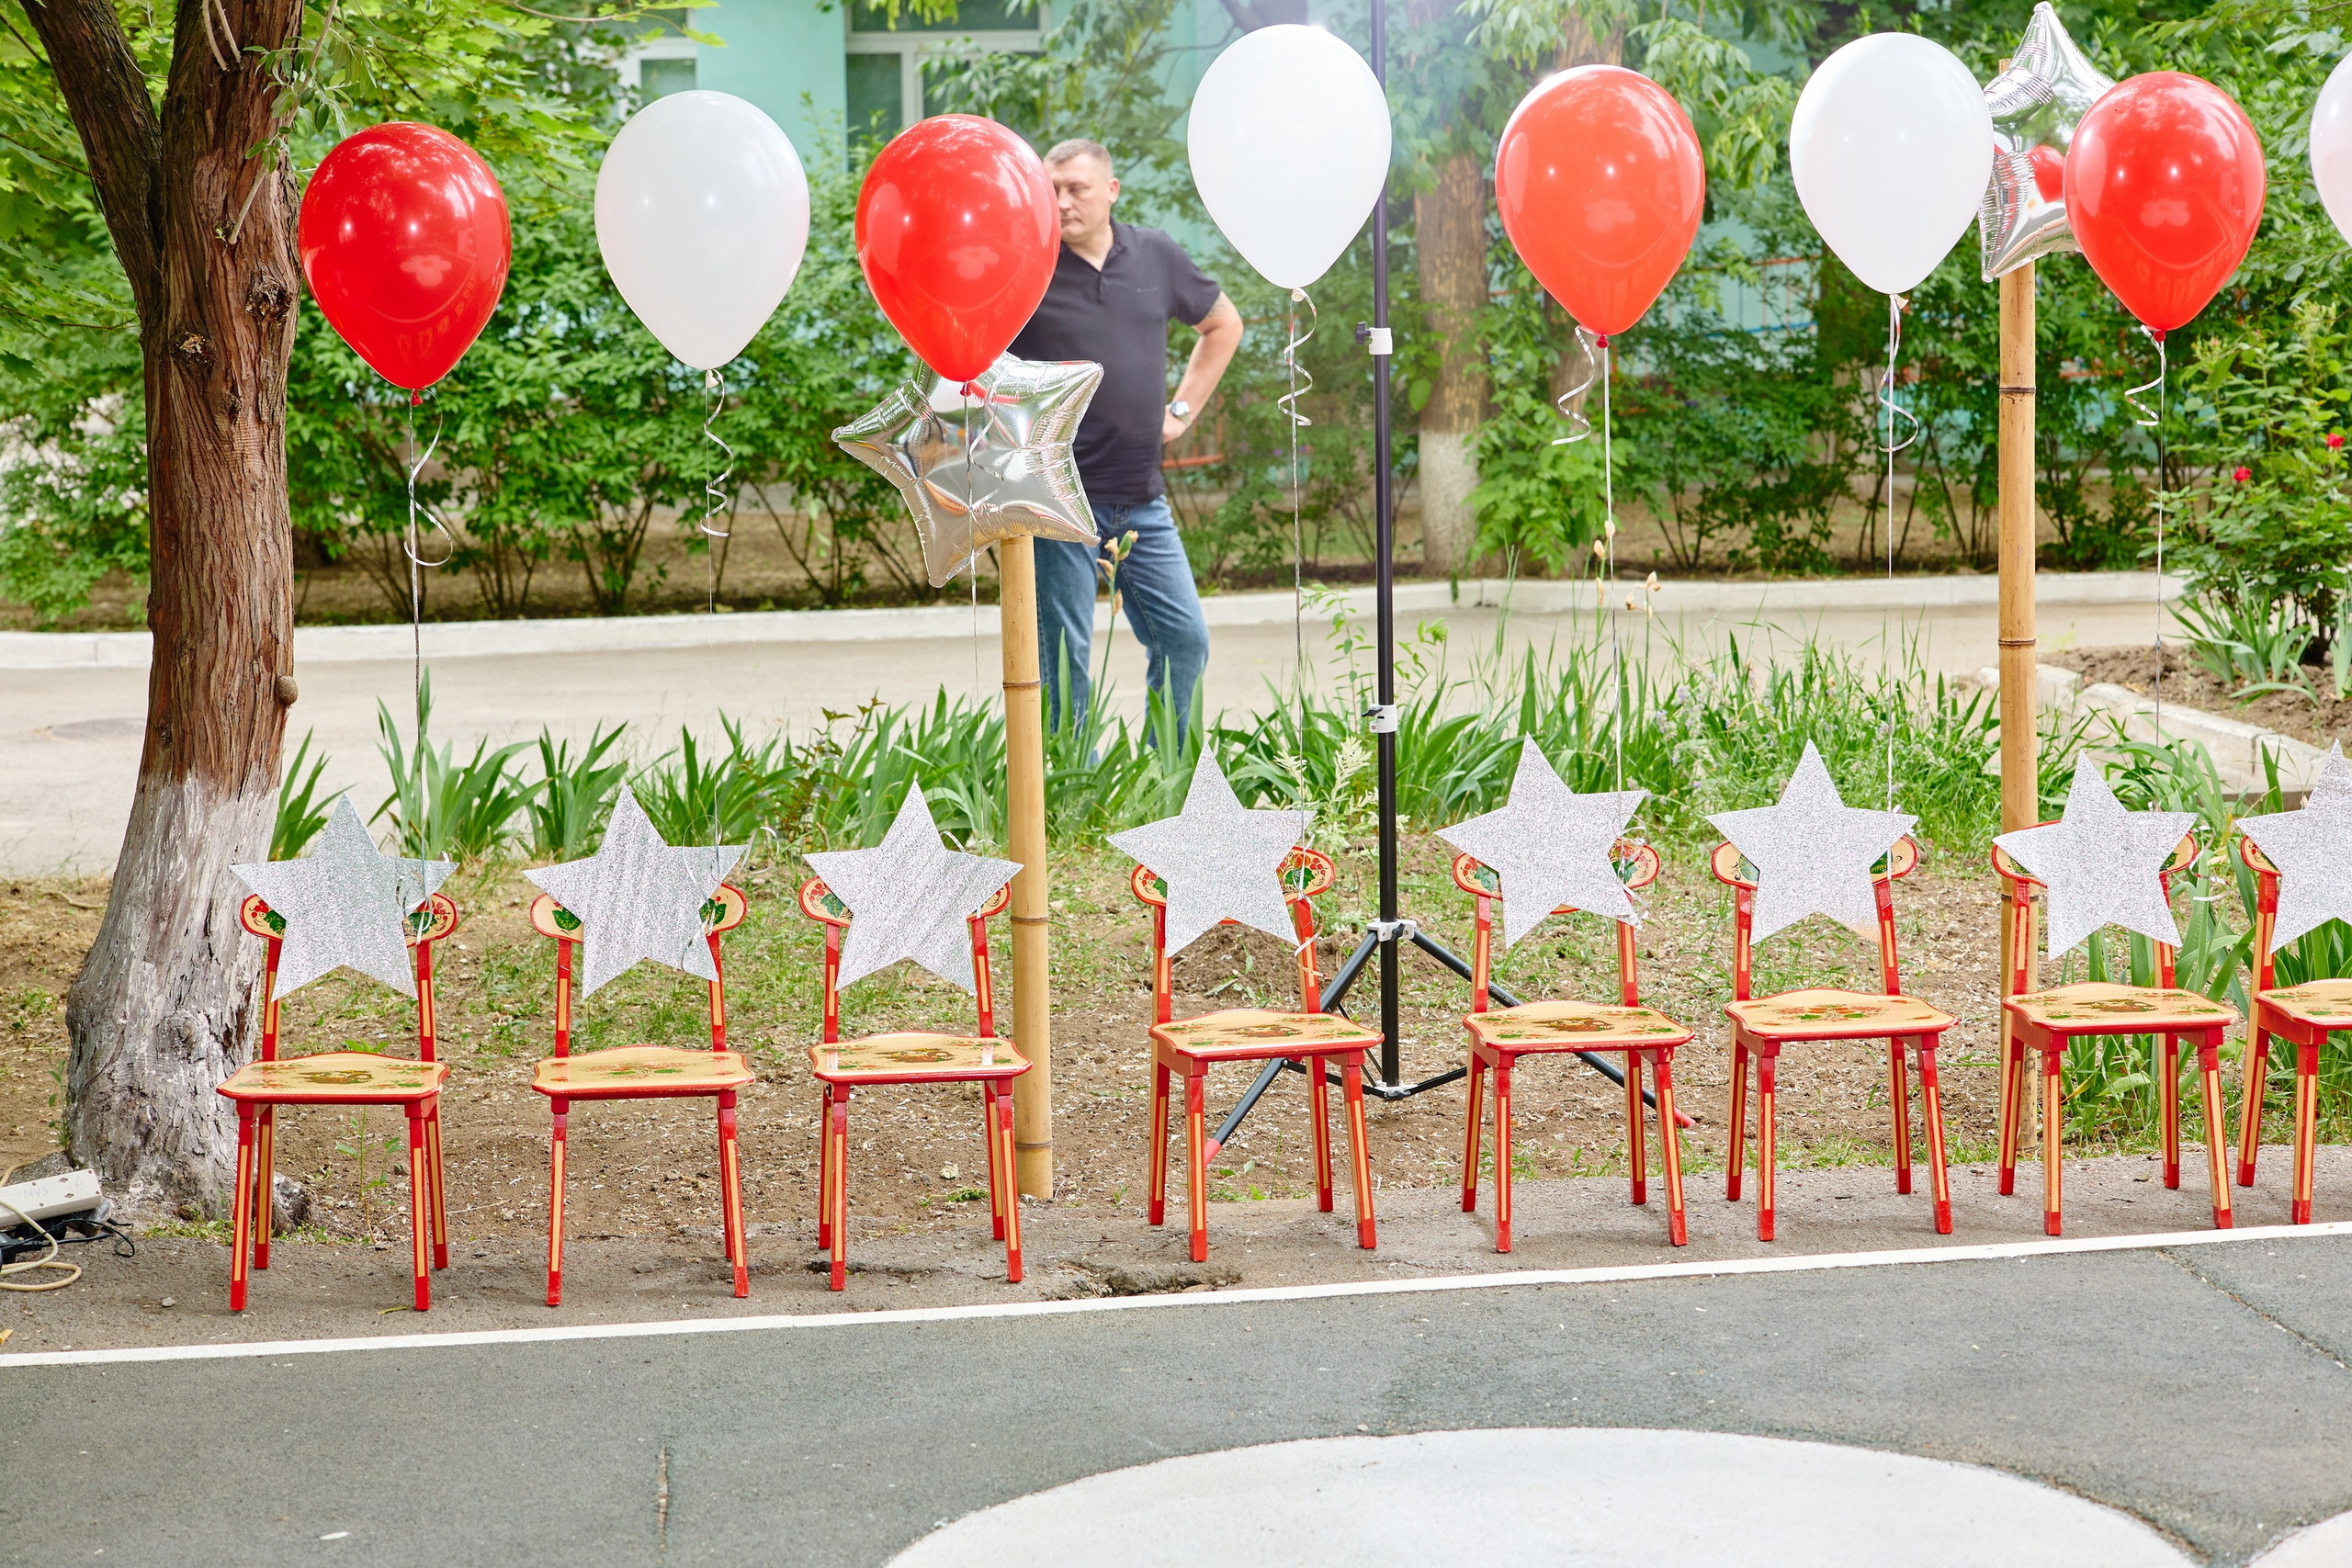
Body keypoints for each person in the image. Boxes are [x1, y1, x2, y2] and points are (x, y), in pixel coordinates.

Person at [1010, 138, 1243, 739]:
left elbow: (1223, 324)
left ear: (1111, 191)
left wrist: (1181, 410)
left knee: (1184, 641)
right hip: (1058, 499)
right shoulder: (1026, 267)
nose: (1061, 203)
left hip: (1140, 497)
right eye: (1051, 191)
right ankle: (1072, 798)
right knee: (1065, 663)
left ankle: (1163, 773)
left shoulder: (1155, 255)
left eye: (1076, 189)